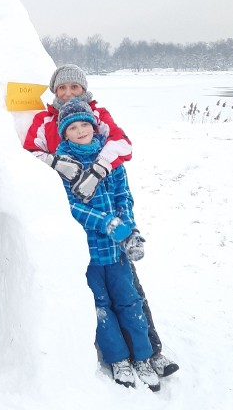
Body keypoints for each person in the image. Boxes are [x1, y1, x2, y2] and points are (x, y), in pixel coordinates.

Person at [23, 64, 178, 377]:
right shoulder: (44, 119)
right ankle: (118, 353)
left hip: (105, 201)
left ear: (84, 90)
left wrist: (98, 171)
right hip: (79, 217)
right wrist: (57, 163)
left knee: (130, 292)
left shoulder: (98, 115)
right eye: (61, 88)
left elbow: (123, 145)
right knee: (99, 296)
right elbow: (24, 153)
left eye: (74, 88)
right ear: (54, 91)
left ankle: (150, 351)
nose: (67, 93)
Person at [55, 98, 160, 391]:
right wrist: (107, 224)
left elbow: (123, 197)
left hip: (117, 253)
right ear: (64, 133)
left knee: (129, 302)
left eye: (84, 125)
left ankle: (143, 356)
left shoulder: (109, 162)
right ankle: (118, 359)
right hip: (88, 253)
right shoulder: (63, 167)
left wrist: (128, 228)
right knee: (99, 307)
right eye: (72, 127)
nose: (79, 131)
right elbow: (71, 207)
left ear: (93, 126)